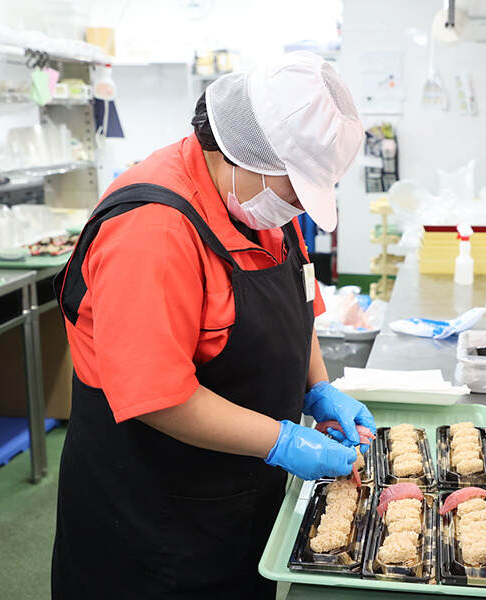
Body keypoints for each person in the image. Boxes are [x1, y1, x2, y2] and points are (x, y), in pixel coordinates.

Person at [50, 51, 372, 600]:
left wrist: (318, 388)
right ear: (247, 152)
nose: (298, 203)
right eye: (296, 184)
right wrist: (283, 441)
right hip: (153, 519)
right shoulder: (154, 231)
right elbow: (157, 397)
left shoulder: (258, 202)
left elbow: (297, 307)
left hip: (236, 493)